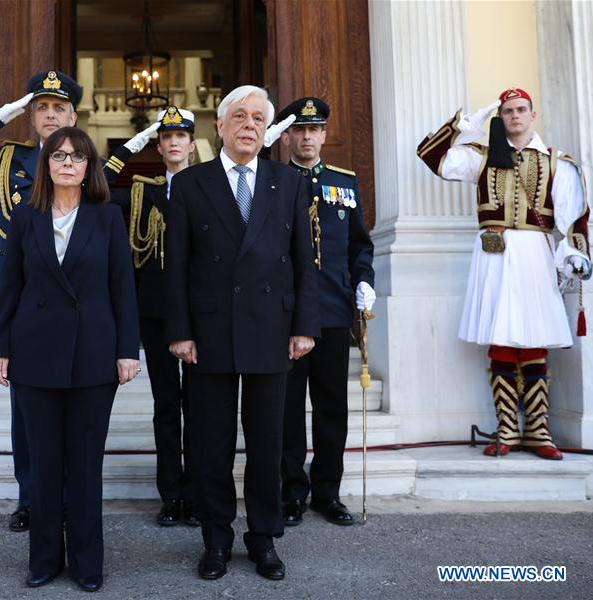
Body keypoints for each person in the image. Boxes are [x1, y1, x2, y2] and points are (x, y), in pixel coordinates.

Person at [0, 69, 108, 532]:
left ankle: (71, 498)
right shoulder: (8, 160)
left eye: (59, 108)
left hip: (75, 297)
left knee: (75, 406)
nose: (50, 115)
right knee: (28, 409)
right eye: (41, 108)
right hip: (25, 294)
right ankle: (32, 498)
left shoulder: (86, 163)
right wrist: (2, 114)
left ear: (73, 117)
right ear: (31, 117)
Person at [165, 86, 320, 581]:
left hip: (271, 328)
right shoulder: (189, 184)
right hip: (208, 332)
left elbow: (304, 261)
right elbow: (176, 266)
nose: (249, 125)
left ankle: (263, 539)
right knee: (210, 445)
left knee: (267, 445)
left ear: (266, 129)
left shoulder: (288, 182)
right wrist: (179, 331)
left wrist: (305, 325)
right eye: (239, 116)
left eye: (257, 118)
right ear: (220, 125)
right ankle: (215, 539)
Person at [0, 127, 139, 592]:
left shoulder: (107, 217)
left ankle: (88, 563)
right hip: (35, 353)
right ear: (46, 165)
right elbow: (10, 285)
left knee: (86, 465)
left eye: (77, 156)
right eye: (58, 156)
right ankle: (45, 559)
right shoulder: (25, 216)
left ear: (89, 166)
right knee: (44, 464)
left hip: (93, 354)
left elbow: (122, 287)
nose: (67, 163)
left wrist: (127, 350)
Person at [417, 87, 590, 460]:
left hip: (534, 254)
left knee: (534, 338)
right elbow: (432, 156)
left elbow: (574, 215)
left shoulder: (556, 162)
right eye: (508, 111)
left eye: (521, 109)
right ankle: (508, 428)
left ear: (532, 114)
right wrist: (468, 125)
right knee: (500, 337)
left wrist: (575, 254)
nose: (514, 116)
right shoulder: (481, 157)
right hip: (492, 256)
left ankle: (538, 430)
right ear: (501, 117)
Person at [269, 97, 375, 527]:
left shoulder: (343, 183)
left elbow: (359, 244)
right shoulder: (273, 181)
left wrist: (365, 280)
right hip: (287, 314)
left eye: (314, 130)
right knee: (288, 408)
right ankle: (292, 492)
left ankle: (328, 492)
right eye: (300, 130)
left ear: (325, 134)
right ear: (287, 137)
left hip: (332, 309)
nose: (308, 137)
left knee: (332, 407)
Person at [105, 106, 199, 527]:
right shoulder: (143, 191)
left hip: (200, 314)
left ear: (192, 144)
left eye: (181, 136)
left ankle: (196, 493)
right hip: (156, 310)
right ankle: (171, 495)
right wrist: (132, 145)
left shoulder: (209, 185)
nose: (174, 142)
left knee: (199, 408)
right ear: (158, 147)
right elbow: (97, 186)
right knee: (166, 405)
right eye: (166, 137)